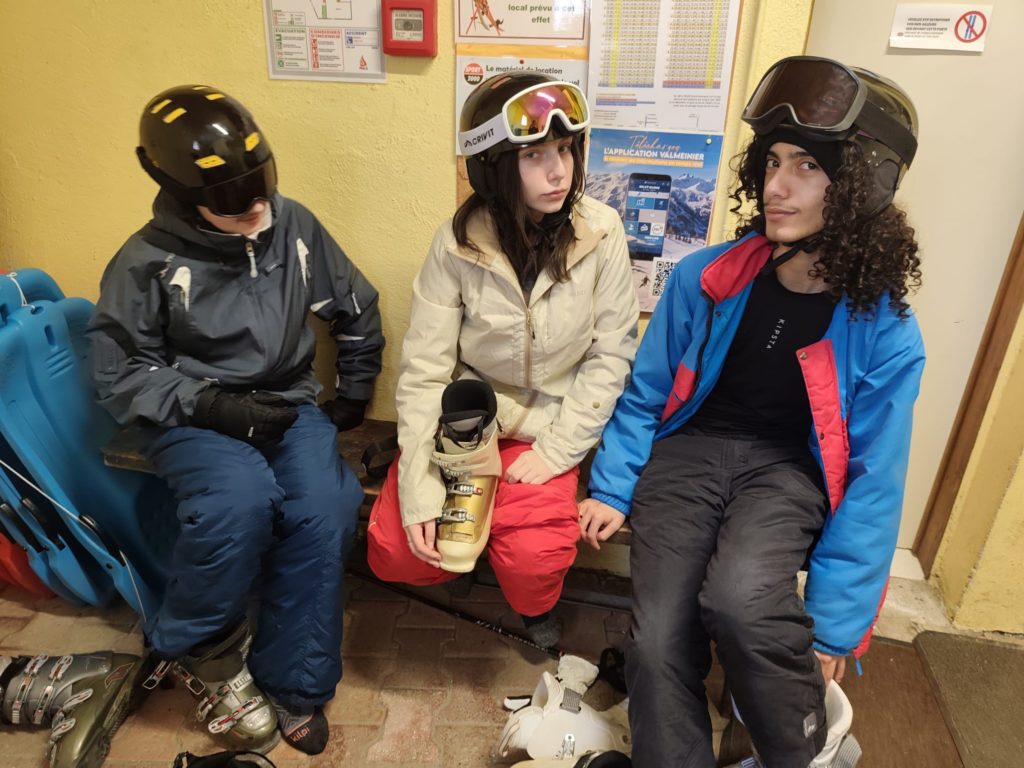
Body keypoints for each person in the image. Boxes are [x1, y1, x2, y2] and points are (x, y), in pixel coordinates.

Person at [579, 56, 925, 768]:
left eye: (806, 166)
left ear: (861, 186)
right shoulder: (705, 278)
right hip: (688, 455)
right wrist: (612, 485)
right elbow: (646, 393)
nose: (776, 185)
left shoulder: (886, 330)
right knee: (655, 639)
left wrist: (833, 626)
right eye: (772, 162)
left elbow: (876, 482)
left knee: (739, 602)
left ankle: (807, 747)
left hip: (785, 473)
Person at [88, 84, 384, 756]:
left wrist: (353, 393)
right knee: (238, 500)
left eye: (261, 188)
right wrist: (209, 404)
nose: (254, 209)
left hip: (285, 402)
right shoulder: (145, 261)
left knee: (327, 506)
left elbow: (355, 304)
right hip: (192, 412)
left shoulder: (293, 226)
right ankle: (200, 647)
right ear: (176, 190)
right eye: (231, 201)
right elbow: (116, 372)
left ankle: (295, 681)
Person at [367, 72, 639, 648]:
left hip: (552, 422)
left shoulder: (602, 232)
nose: (558, 171)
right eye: (534, 155)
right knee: (397, 547)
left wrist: (557, 451)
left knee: (536, 556)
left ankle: (533, 606)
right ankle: (459, 565)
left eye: (564, 150)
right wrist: (419, 487)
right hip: (470, 418)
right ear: (492, 166)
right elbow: (425, 372)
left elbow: (611, 353)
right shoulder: (455, 244)